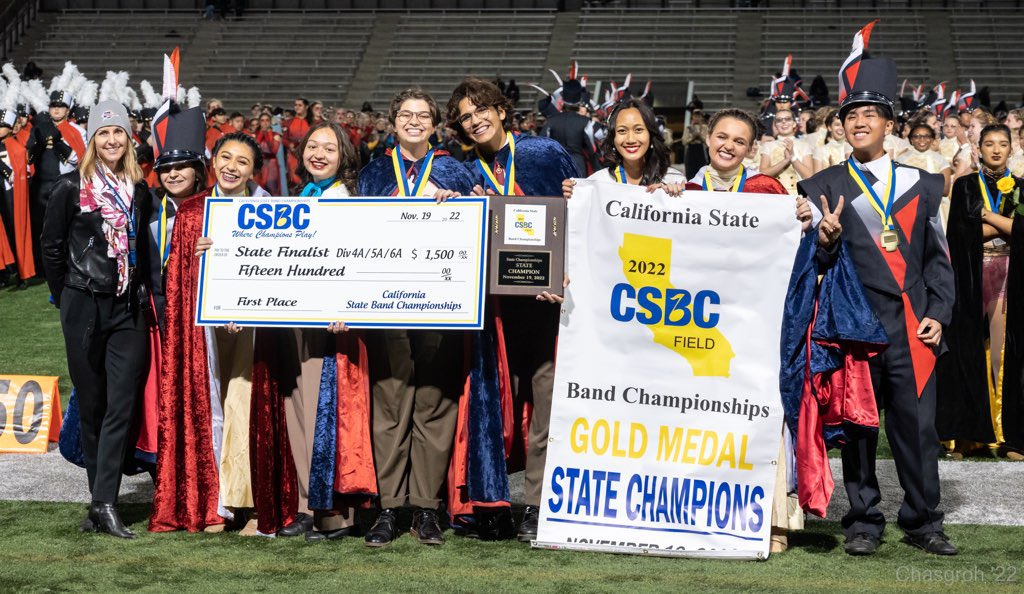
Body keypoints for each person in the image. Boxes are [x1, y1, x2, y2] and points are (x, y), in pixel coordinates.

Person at [798, 52, 956, 556]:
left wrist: (938, 313)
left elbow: (938, 259)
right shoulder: (821, 187)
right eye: (850, 115)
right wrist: (825, 241)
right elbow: (813, 266)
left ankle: (923, 519)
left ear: (890, 123)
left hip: (912, 323)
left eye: (870, 113)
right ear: (841, 126)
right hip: (852, 320)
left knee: (917, 428)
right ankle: (863, 519)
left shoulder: (925, 183)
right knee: (859, 427)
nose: (859, 121)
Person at [445, 77, 578, 542]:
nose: (476, 119)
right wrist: (452, 204)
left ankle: (539, 506)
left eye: (482, 109)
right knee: (496, 409)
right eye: (465, 115)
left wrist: (566, 271)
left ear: (502, 111)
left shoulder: (543, 152)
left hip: (547, 303)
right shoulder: (465, 171)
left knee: (545, 407)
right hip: (495, 310)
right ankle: (493, 501)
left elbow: (578, 212)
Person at [150, 132, 294, 536]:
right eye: (225, 157)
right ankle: (214, 502)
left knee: (242, 406)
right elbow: (177, 282)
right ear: (213, 162)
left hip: (254, 329)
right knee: (210, 404)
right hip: (207, 331)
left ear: (254, 170)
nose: (231, 166)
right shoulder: (193, 212)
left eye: (242, 161)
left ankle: (244, 503)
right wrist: (194, 259)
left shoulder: (273, 211)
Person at [683, 108, 812, 554]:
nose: (728, 146)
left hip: (756, 324)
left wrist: (803, 216)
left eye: (739, 141)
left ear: (751, 148)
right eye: (721, 137)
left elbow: (793, 250)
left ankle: (774, 519)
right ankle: (697, 515)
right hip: (697, 322)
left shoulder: (767, 189)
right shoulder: (685, 191)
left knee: (759, 414)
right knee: (701, 415)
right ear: (707, 139)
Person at [357, 88, 475, 547]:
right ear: (392, 121)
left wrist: (459, 206)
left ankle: (426, 507)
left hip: (442, 303)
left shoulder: (453, 171)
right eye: (405, 114)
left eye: (422, 115)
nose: (413, 121)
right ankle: (389, 506)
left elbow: (478, 224)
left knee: (433, 401)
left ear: (434, 124)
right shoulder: (372, 173)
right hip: (386, 303)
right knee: (390, 403)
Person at [41, 101, 151, 539]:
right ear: (92, 140)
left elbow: (146, 245)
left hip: (128, 307)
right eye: (103, 134)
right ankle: (98, 504)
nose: (111, 140)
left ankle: (104, 502)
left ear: (128, 139)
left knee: (121, 405)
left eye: (118, 133)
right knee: (92, 405)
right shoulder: (70, 188)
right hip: (82, 304)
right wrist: (65, 294)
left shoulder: (140, 190)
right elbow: (51, 248)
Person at [270, 121, 377, 543]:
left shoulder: (345, 199)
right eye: (312, 146)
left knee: (326, 414)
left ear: (343, 157)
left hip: (332, 326)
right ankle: (304, 506)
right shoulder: (301, 198)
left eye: (328, 148)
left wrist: (346, 305)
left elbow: (357, 260)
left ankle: (333, 513)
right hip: (296, 318)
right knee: (298, 411)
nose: (318, 153)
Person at [938, 123, 1024, 461]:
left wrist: (986, 217)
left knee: (1004, 357)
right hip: (973, 276)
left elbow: (1019, 230)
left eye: (1003, 143)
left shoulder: (1020, 187)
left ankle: (1010, 437)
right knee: (967, 350)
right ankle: (967, 435)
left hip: (1008, 276)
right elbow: (960, 233)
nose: (997, 150)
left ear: (1012, 148)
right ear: (979, 149)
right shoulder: (964, 186)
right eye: (990, 144)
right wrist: (1005, 224)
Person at [561, 98, 683, 198]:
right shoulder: (598, 182)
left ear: (651, 135)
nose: (630, 139)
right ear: (613, 139)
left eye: (638, 130)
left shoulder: (674, 179)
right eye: (622, 131)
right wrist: (572, 195)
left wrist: (677, 197)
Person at [27, 78, 87, 272]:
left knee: (65, 227)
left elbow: (79, 160)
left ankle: (68, 264)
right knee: (41, 228)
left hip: (64, 185)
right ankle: (42, 267)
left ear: (68, 109)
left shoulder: (77, 131)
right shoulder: (39, 127)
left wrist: (59, 143)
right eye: (53, 105)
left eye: (61, 106)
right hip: (41, 185)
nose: (56, 109)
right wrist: (38, 143)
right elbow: (29, 159)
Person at [0, 101, 34, 287]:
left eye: (3, 126)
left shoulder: (18, 148)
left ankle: (23, 273)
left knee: (16, 231)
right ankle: (4, 273)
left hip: (11, 195)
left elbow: (21, 173)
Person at [759, 108, 814, 194]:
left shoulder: (804, 145)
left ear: (794, 123)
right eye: (779, 120)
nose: (784, 122)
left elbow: (809, 176)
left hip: (798, 196)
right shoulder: (768, 145)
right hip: (774, 195)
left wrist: (793, 158)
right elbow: (763, 174)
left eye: (787, 119)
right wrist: (785, 161)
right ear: (775, 125)